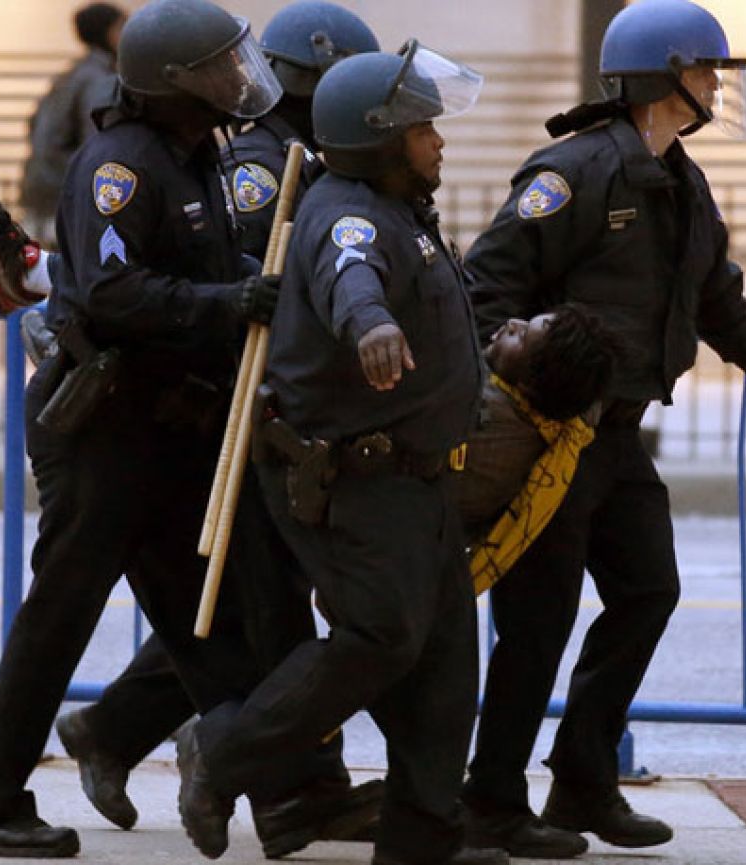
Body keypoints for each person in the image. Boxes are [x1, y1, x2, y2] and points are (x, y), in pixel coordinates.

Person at [0, 5, 390, 860]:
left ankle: (294, 795)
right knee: (59, 619)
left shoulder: (201, 155)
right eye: (220, 69)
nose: (239, 82)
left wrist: (246, 282)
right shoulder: (119, 167)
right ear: (172, 83)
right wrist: (226, 301)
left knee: (221, 624)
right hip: (105, 429)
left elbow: (202, 264)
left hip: (170, 429)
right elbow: (116, 294)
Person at [459, 0, 746, 853]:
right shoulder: (571, 171)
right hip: (555, 435)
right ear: (660, 75)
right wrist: (529, 389)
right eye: (704, 70)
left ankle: (582, 780)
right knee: (536, 621)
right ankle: (491, 798)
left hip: (619, 437)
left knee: (648, 590)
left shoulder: (678, 175)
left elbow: (711, 286)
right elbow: (485, 287)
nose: (716, 86)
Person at [175, 46, 507, 865]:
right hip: (355, 476)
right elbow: (348, 277)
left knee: (443, 664)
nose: (438, 142)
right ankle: (221, 750)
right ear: (378, 139)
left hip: (418, 476)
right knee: (380, 637)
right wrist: (372, 325)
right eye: (423, 128)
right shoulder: (348, 214)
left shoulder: (402, 208)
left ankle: (423, 838)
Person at [19, 2, 127, 248]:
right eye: (122, 27)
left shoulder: (71, 75)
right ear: (108, 32)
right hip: (70, 196)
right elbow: (99, 143)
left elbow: (36, 128)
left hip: (43, 191)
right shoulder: (100, 80)